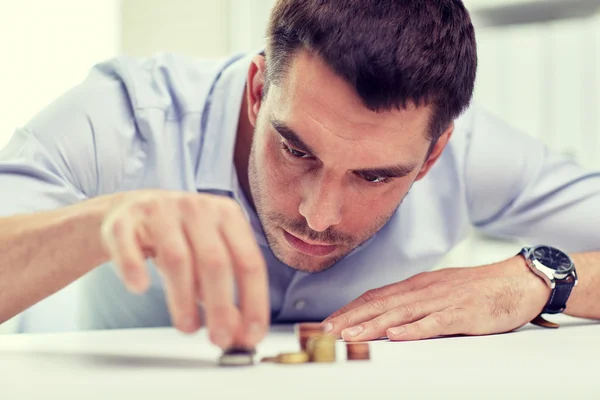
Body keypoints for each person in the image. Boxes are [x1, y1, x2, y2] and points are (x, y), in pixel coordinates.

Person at [0, 0, 599, 350]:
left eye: (373, 177)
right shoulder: (123, 116)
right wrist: (99, 223)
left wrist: (539, 279)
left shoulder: (472, 151)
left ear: (433, 156)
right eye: (296, 150)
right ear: (260, 92)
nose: (318, 215)